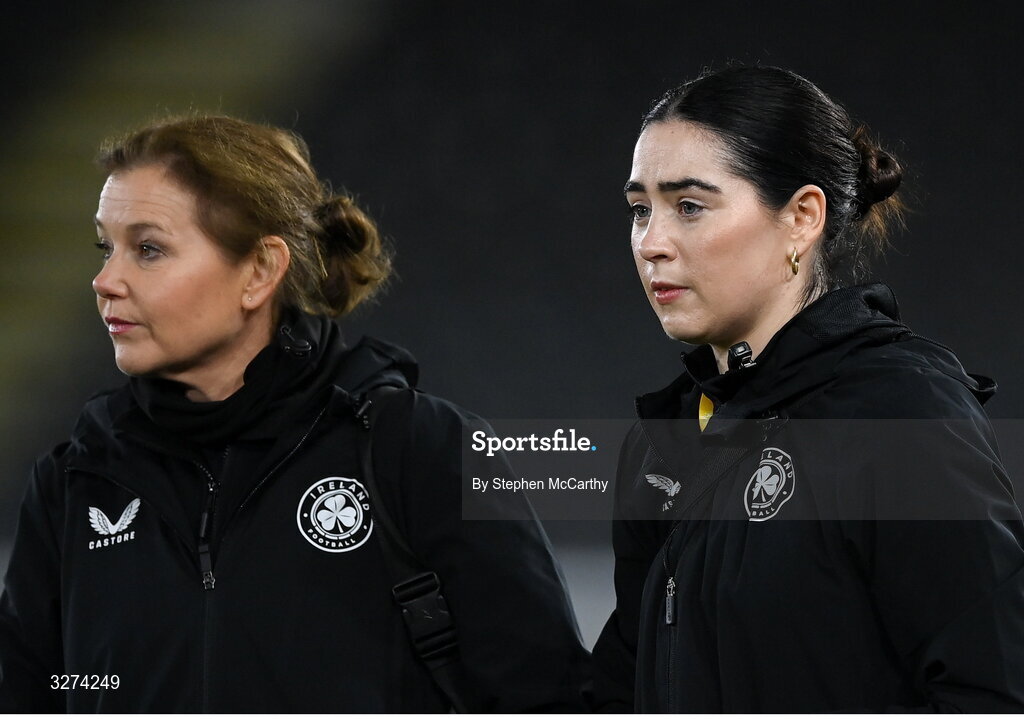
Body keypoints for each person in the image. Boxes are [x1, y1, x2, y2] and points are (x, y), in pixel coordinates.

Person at [0, 115, 590, 712]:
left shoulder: (422, 449)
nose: (105, 281)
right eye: (107, 248)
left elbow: (546, 699)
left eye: (148, 249)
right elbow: (35, 695)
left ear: (259, 271)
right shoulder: (74, 484)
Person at [591, 65, 1024, 712]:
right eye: (638, 210)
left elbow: (993, 689)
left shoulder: (900, 411)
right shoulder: (666, 439)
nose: (651, 243)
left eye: (689, 206)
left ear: (801, 217)